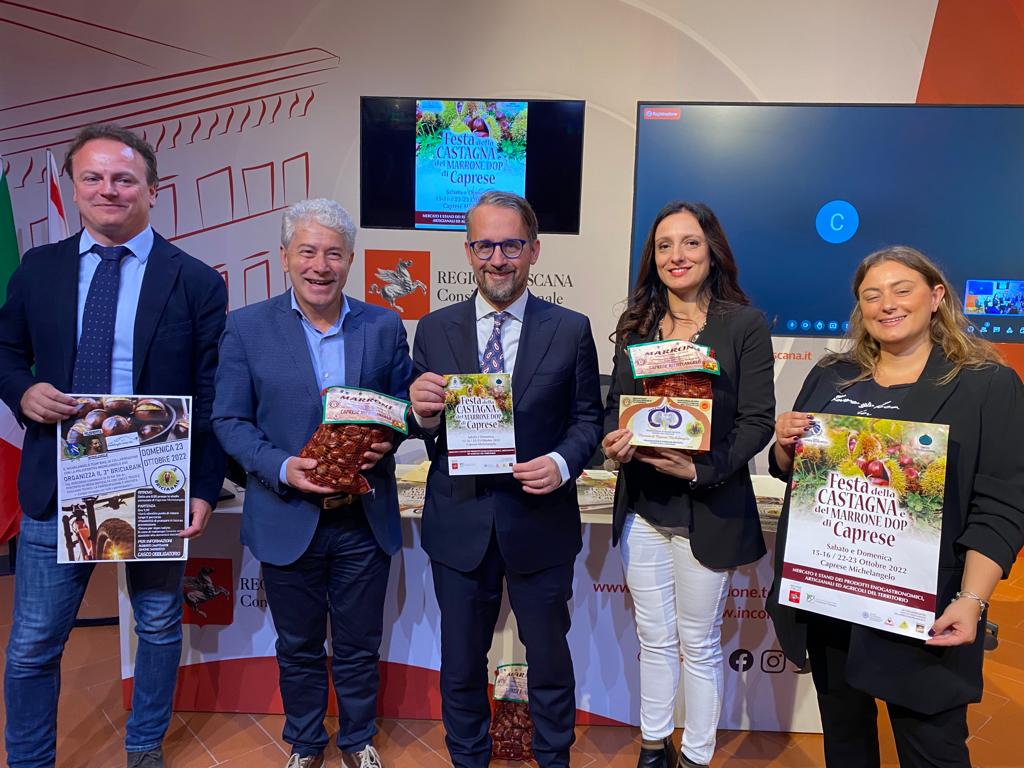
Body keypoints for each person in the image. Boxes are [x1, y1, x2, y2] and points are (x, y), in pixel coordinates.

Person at [0, 124, 227, 767]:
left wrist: (203, 487)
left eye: (124, 179)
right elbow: (5, 350)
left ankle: (144, 746)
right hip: (58, 477)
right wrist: (22, 391)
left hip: (153, 474)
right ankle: (30, 761)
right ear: (73, 189)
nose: (109, 190)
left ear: (152, 190)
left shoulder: (195, 281)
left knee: (157, 625)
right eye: (93, 178)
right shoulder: (39, 270)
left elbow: (211, 393)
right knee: (33, 643)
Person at [766, 246, 1024, 768]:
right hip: (830, 595)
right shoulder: (832, 374)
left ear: (936, 297)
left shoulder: (986, 384)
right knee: (845, 744)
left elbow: (1002, 503)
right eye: (871, 295)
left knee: (932, 751)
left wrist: (972, 600)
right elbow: (798, 473)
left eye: (902, 290)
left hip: (923, 607)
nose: (887, 304)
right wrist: (785, 447)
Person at [212, 199, 412, 768]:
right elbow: (229, 420)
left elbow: (403, 407)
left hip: (361, 519)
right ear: (284, 258)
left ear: (350, 260)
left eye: (333, 253)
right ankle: (304, 742)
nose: (320, 266)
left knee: (359, 644)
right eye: (307, 251)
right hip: (286, 515)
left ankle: (357, 739)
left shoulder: (383, 325)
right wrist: (281, 467)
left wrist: (389, 437)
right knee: (297, 645)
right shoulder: (246, 327)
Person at [408, 191, 602, 768]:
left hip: (540, 521)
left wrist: (562, 463)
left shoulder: (570, 329)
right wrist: (422, 414)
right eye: (485, 245)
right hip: (459, 521)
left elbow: (588, 420)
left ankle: (553, 758)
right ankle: (468, 758)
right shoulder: (434, 329)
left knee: (549, 660)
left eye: (511, 245)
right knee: (461, 663)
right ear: (469, 251)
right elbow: (425, 429)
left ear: (534, 250)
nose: (498, 258)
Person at [602, 202, 775, 768]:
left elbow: (757, 422)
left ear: (712, 251)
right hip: (643, 509)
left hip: (709, 507)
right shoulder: (637, 327)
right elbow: (615, 407)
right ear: (652, 258)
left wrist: (702, 470)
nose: (677, 255)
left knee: (698, 645)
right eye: (664, 245)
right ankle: (654, 747)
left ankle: (697, 755)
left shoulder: (743, 326)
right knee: (653, 638)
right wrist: (613, 441)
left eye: (690, 242)